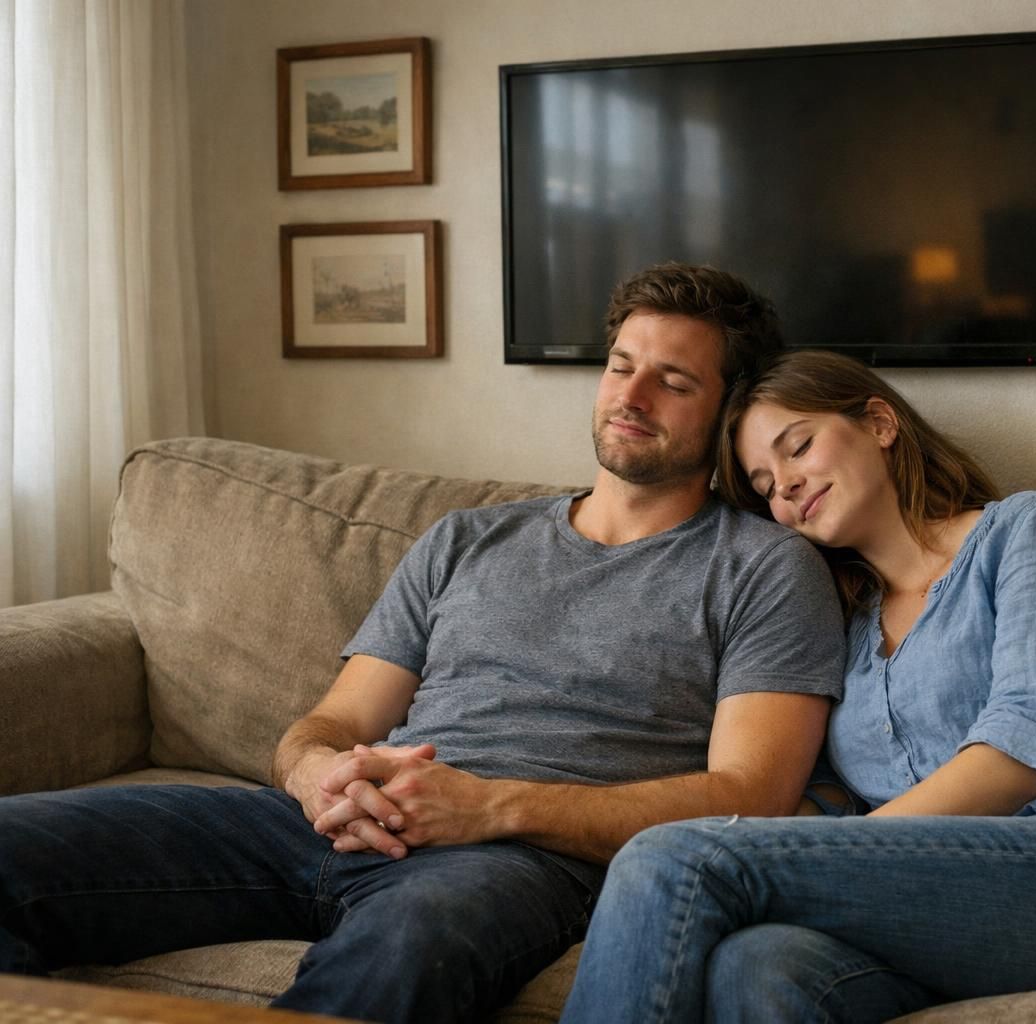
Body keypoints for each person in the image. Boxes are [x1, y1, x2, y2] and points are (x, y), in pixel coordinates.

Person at [0, 265, 847, 1024]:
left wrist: (486, 808)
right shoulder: (467, 539)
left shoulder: (764, 567)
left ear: (727, 410)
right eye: (622, 366)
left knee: (407, 954)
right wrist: (317, 777)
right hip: (327, 827)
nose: (631, 397)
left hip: (513, 863)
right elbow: (333, 722)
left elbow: (752, 796)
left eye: (673, 382)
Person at [559, 350, 1036, 1024]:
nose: (787, 486)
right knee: (762, 966)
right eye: (766, 486)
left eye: (797, 447)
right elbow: (841, 797)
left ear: (879, 424)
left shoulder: (1028, 530)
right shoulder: (849, 629)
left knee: (673, 855)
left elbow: (1029, 748)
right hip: (965, 902)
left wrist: (820, 856)